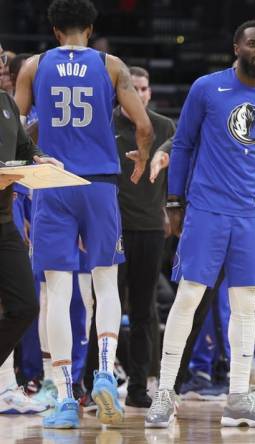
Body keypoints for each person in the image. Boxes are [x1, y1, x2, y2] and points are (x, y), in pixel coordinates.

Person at [144, 20, 255, 429]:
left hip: (250, 213)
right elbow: (185, 143)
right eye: (252, 44)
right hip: (206, 209)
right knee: (189, 297)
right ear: (236, 47)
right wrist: (175, 202)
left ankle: (238, 398)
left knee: (245, 306)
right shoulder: (207, 88)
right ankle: (164, 394)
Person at [14, 0, 153, 429]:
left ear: (55, 31)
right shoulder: (111, 65)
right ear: (90, 30)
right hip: (100, 186)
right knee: (105, 281)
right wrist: (142, 157)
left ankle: (63, 395)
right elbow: (144, 126)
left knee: (56, 291)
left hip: (54, 182)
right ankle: (107, 373)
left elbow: (14, 127)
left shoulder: (33, 67)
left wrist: (37, 150)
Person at [0, 44, 61, 416]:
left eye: (1, 58)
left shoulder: (7, 105)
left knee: (24, 305)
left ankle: (6, 385)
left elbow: (23, 147)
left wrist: (39, 158)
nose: (1, 65)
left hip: (4, 223)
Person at [112, 66, 174, 408]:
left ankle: (139, 387)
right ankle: (98, 381)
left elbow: (176, 173)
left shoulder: (164, 127)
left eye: (145, 88)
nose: (140, 93)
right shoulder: (105, 124)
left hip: (151, 228)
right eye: (133, 88)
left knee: (144, 310)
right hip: (113, 228)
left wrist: (171, 209)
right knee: (106, 310)